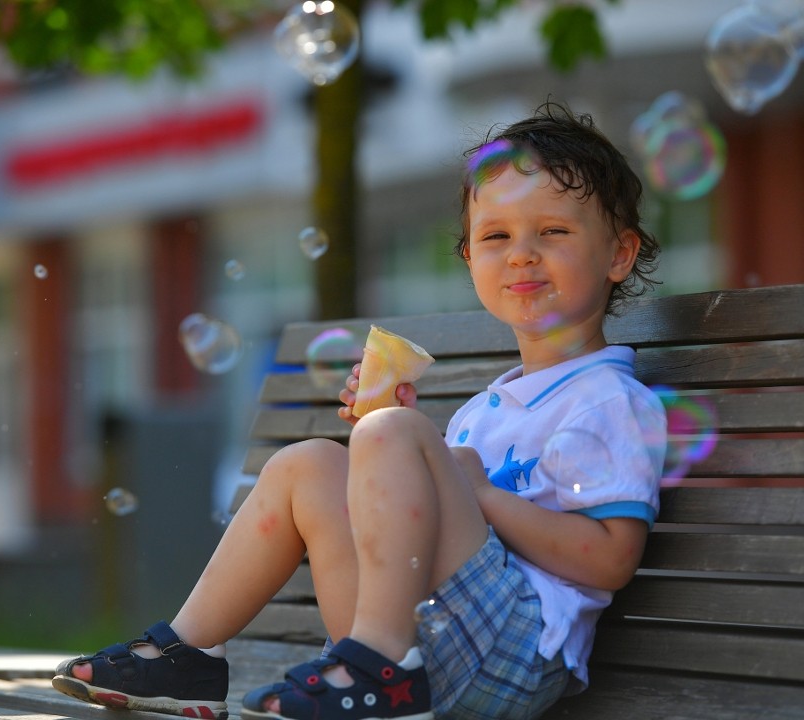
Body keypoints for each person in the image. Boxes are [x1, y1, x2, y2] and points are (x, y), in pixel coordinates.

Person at [51, 100, 667, 720]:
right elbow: (427, 531)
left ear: (618, 253)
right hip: (430, 641)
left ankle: (380, 665)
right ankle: (190, 653)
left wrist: (466, 483)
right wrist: (385, 453)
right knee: (311, 463)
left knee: (394, 432)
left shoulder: (607, 400)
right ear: (469, 259)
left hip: (513, 656)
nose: (521, 253)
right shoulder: (489, 408)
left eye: (553, 231)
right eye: (496, 235)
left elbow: (610, 560)